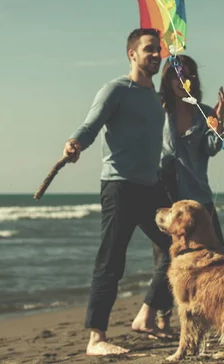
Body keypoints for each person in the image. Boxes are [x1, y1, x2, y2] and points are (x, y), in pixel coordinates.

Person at [63, 28, 174, 356]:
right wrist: (75, 143)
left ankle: (146, 315)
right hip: (120, 186)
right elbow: (90, 126)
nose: (156, 55)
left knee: (179, 246)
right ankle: (96, 338)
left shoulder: (156, 99)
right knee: (111, 260)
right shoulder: (116, 90)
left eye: (159, 50)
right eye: (149, 49)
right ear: (132, 54)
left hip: (150, 187)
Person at [131, 54, 224, 333]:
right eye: (175, 75)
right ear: (166, 79)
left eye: (186, 74)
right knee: (168, 259)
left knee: (216, 254)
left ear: (193, 78)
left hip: (199, 197)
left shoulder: (203, 111)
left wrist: (219, 119)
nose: (180, 79)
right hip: (166, 196)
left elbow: (213, 147)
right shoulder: (158, 109)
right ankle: (162, 317)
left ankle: (216, 309)